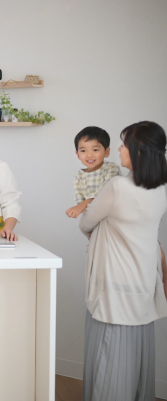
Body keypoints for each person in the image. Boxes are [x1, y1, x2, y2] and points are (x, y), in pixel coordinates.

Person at [79, 121, 167, 401]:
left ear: (138, 151)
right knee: (136, 352)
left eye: (123, 143)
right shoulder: (162, 189)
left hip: (114, 282)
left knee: (109, 354)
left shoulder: (117, 186)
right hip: (143, 280)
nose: (118, 148)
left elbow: (87, 221)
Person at [66, 126, 121, 218]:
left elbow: (105, 192)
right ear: (78, 154)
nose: (89, 155)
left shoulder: (111, 168)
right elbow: (79, 200)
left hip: (114, 217)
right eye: (83, 150)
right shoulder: (79, 176)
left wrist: (84, 204)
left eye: (95, 150)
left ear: (106, 152)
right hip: (95, 219)